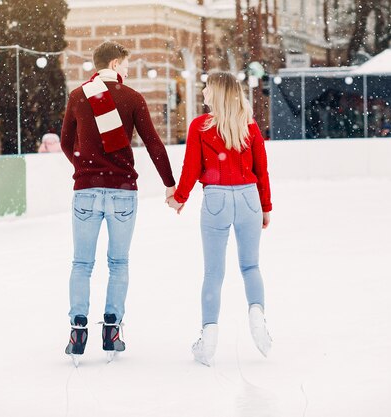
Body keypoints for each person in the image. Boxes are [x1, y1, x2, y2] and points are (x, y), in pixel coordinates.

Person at [61, 41, 177, 363]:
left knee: (82, 263)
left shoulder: (78, 96)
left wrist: (85, 169)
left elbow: (66, 142)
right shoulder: (133, 98)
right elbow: (153, 143)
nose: (127, 71)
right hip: (123, 191)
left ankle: (78, 327)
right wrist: (170, 184)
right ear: (114, 64)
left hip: (86, 191)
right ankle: (111, 328)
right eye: (125, 65)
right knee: (119, 263)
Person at [167, 72, 272, 366]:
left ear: (217, 93)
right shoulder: (248, 126)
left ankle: (209, 336)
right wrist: (265, 206)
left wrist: (180, 197)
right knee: (251, 266)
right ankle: (257, 315)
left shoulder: (201, 127)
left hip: (216, 199)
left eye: (206, 88)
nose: (202, 91)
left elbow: (191, 167)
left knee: (214, 272)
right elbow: (261, 170)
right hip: (249, 197)